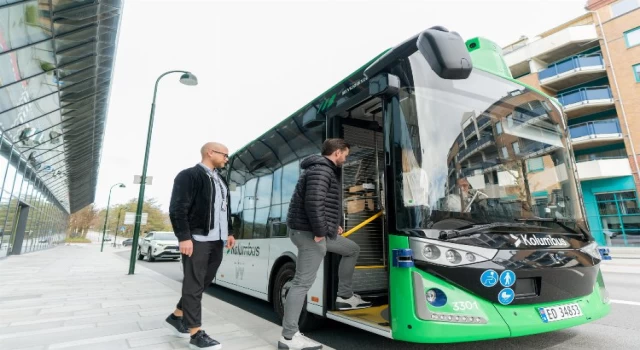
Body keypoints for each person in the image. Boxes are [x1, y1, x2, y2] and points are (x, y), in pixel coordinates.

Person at [278, 139, 372, 350]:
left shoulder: (325, 170)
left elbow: (325, 202)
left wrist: (333, 226)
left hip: (316, 231)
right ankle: (289, 337)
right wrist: (321, 231)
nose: (346, 159)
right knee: (301, 283)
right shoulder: (321, 170)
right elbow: (313, 202)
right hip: (310, 233)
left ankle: (345, 296)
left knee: (351, 249)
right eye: (345, 155)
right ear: (337, 153)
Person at [165, 142, 236, 350]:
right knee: (194, 283)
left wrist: (229, 232)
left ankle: (177, 316)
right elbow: (177, 208)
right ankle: (195, 333)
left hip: (218, 240)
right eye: (225, 155)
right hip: (197, 238)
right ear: (210, 152)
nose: (227, 159)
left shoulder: (221, 180)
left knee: (204, 281)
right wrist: (184, 237)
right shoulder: (188, 175)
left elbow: (225, 210)